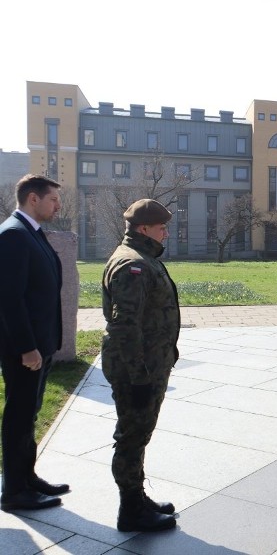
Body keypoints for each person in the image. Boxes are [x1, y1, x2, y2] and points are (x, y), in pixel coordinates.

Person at [101, 199, 180, 532]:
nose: (166, 232)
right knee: (131, 437)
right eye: (161, 227)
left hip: (149, 364)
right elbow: (124, 326)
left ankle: (136, 497)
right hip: (138, 369)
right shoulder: (132, 265)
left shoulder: (143, 257)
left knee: (139, 434)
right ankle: (130, 511)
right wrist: (138, 379)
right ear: (143, 228)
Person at [0, 175, 67, 512]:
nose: (58, 205)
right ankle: (13, 491)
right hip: (25, 350)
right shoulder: (12, 235)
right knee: (18, 417)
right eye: (53, 199)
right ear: (32, 199)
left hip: (41, 347)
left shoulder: (31, 233)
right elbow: (9, 300)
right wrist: (27, 347)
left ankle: (27, 477)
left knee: (29, 414)